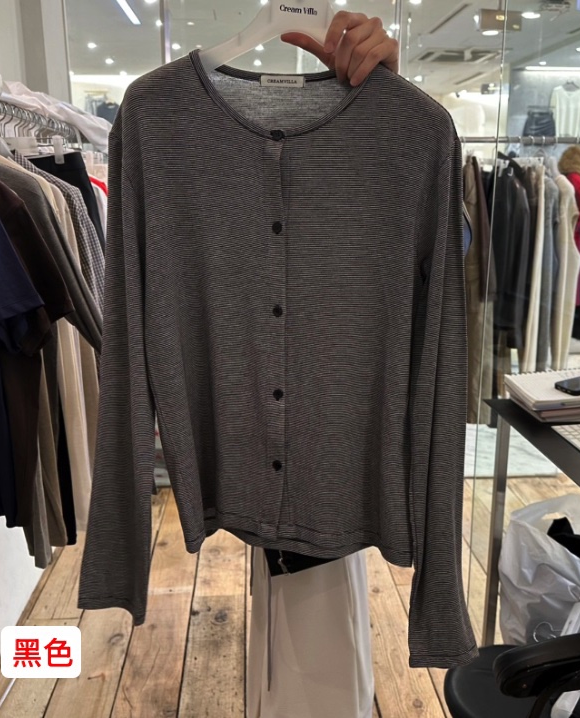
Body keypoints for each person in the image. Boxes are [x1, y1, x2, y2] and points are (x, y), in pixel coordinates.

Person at [246, 13, 403, 718]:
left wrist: (386, 118)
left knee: (315, 639)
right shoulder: (163, 124)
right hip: (250, 447)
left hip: (335, 453)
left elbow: (434, 279)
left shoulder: (401, 138)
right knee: (297, 635)